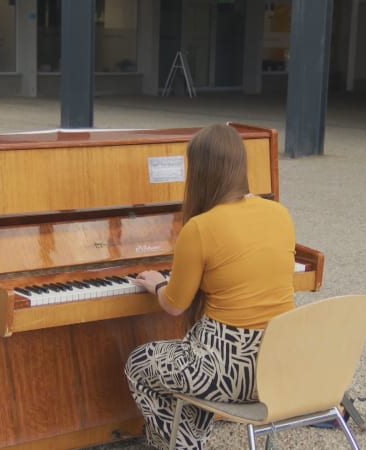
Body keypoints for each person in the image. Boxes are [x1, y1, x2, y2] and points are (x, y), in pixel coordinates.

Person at [125, 124, 298, 450]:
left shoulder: (200, 228)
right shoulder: (280, 214)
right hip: (279, 364)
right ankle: (188, 438)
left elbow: (174, 305)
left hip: (227, 373)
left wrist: (158, 283)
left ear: (199, 173)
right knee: (185, 358)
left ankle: (184, 445)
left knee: (139, 363)